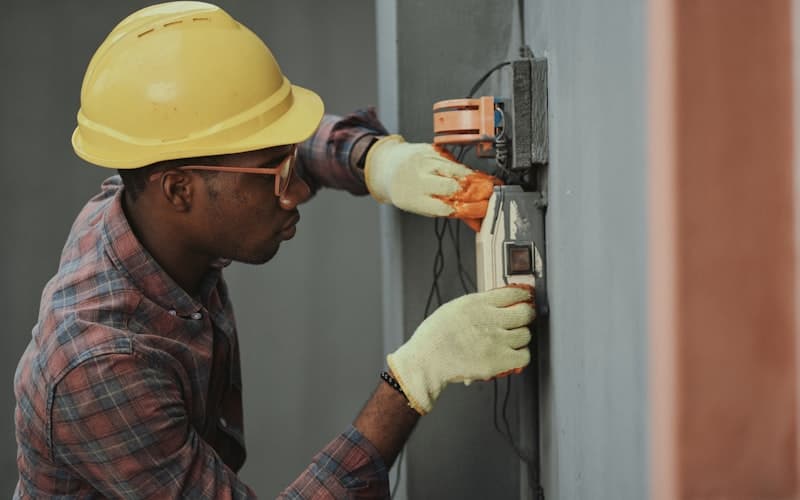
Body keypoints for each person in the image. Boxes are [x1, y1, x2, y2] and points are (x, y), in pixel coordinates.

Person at [13, 2, 535, 498]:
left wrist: (375, 160)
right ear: (179, 190)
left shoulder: (145, 201)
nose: (298, 190)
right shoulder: (99, 367)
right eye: (277, 175)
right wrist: (412, 380)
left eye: (289, 164)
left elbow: (255, 148)